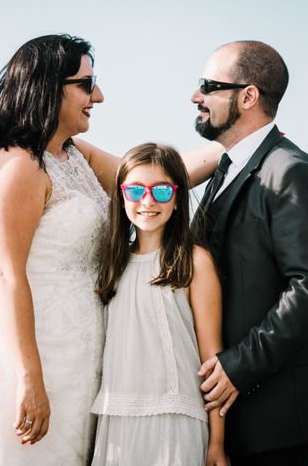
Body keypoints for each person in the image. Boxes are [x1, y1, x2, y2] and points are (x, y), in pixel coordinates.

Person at [0, 34, 110, 465]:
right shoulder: (18, 165)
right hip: (29, 356)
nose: (98, 95)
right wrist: (30, 378)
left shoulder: (74, 155)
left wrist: (238, 148)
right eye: (86, 84)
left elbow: (156, 176)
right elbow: (6, 274)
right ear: (48, 86)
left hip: (78, 354)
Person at [191, 41, 308, 465]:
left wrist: (239, 367)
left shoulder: (290, 170)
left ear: (248, 96)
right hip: (231, 420)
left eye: (208, 86)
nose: (196, 96)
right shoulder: (227, 166)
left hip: (270, 420)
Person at [91, 143, 227, 466]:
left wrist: (218, 443)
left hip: (176, 421)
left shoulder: (195, 262)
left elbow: (213, 361)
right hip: (116, 420)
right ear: (121, 195)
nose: (148, 201)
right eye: (136, 190)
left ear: (177, 199)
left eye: (162, 191)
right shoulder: (112, 263)